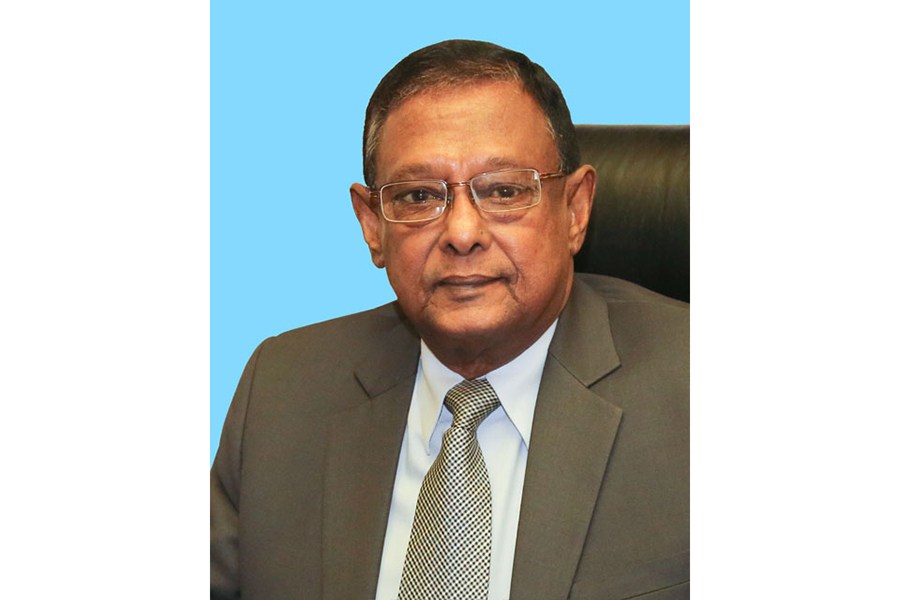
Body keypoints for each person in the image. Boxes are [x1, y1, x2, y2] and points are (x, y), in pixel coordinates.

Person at [211, 40, 688, 600]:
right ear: (372, 226)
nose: (462, 234)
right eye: (418, 196)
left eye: (505, 191)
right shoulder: (284, 388)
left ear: (575, 210)